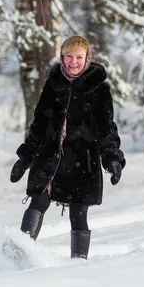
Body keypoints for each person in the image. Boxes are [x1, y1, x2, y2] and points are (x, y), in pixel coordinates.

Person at [10, 35, 126, 259]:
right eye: (69, 56)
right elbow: (39, 125)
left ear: (88, 59)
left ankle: (78, 264)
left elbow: (106, 128)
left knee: (78, 213)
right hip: (51, 156)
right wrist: (25, 157)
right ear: (62, 57)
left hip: (83, 159)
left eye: (79, 57)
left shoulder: (99, 89)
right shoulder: (54, 83)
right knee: (39, 200)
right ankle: (18, 254)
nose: (74, 61)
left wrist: (112, 157)